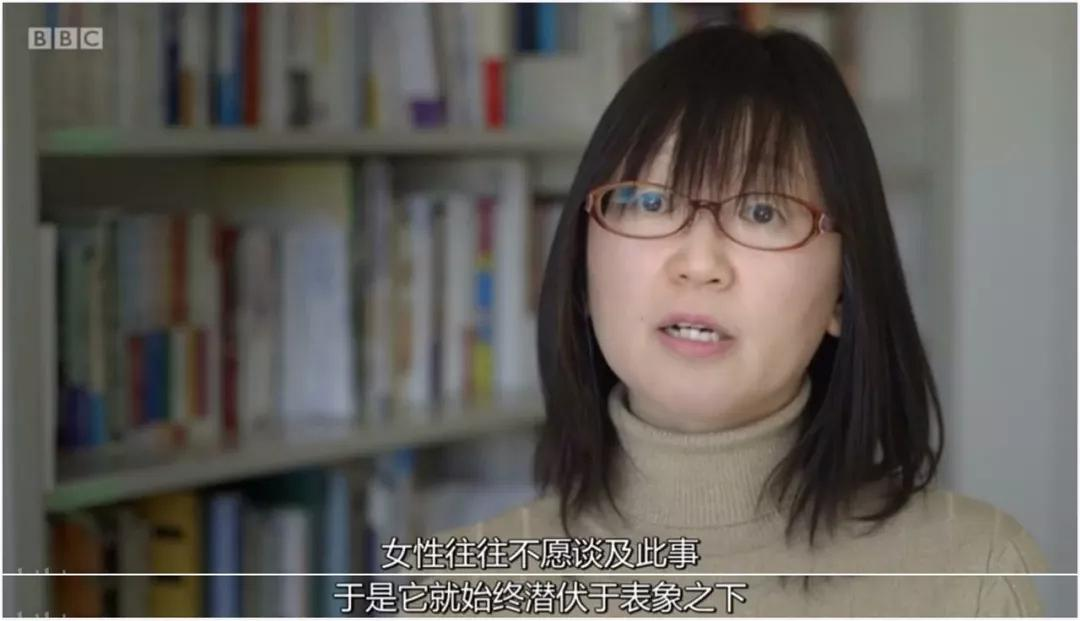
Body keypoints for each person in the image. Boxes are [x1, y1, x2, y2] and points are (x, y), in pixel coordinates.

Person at [421, 24, 1050, 616]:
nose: (700, 264)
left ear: (844, 291)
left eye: (762, 212)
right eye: (650, 201)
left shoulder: (972, 576)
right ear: (584, 268)